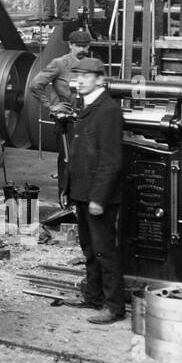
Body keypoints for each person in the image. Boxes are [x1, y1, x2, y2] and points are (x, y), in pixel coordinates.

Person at [65, 56, 125, 323]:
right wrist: (69, 188)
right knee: (89, 248)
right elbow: (79, 154)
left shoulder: (108, 110)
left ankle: (114, 307)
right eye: (77, 75)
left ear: (100, 79)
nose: (79, 80)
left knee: (104, 251)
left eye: (86, 76)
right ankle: (93, 296)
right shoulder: (86, 106)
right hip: (82, 192)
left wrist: (99, 198)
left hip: (98, 196)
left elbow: (111, 160)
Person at [30, 28, 93, 195]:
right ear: (70, 45)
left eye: (85, 46)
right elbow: (35, 84)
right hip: (67, 121)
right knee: (68, 160)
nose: (82, 50)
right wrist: (51, 106)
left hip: (87, 120)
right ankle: (65, 199)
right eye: (78, 46)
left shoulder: (92, 64)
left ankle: (81, 200)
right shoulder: (59, 64)